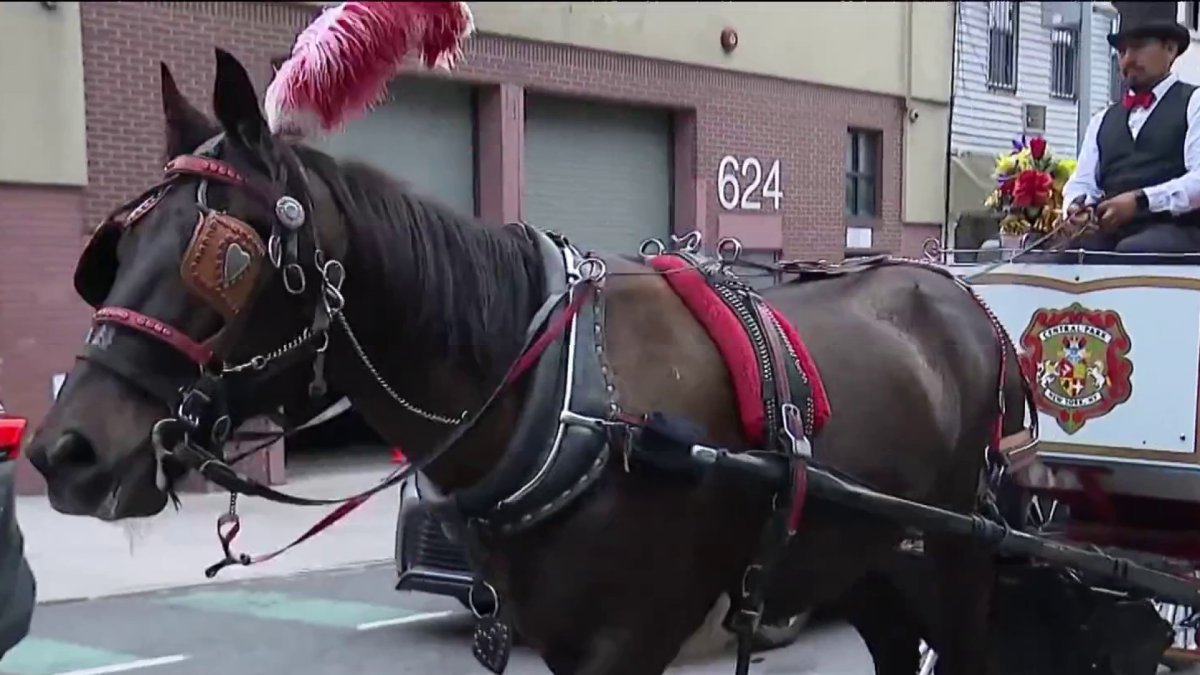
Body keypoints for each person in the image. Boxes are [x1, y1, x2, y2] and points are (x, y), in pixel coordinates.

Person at [1060, 1, 1200, 264]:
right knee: (1062, 254)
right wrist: (1075, 208)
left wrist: (1141, 201)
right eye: (1122, 51)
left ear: (1170, 48)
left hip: (1181, 232)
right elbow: (1082, 182)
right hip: (1115, 235)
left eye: (1137, 48)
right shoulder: (1103, 120)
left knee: (1134, 251)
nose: (1127, 59)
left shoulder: (1194, 103)